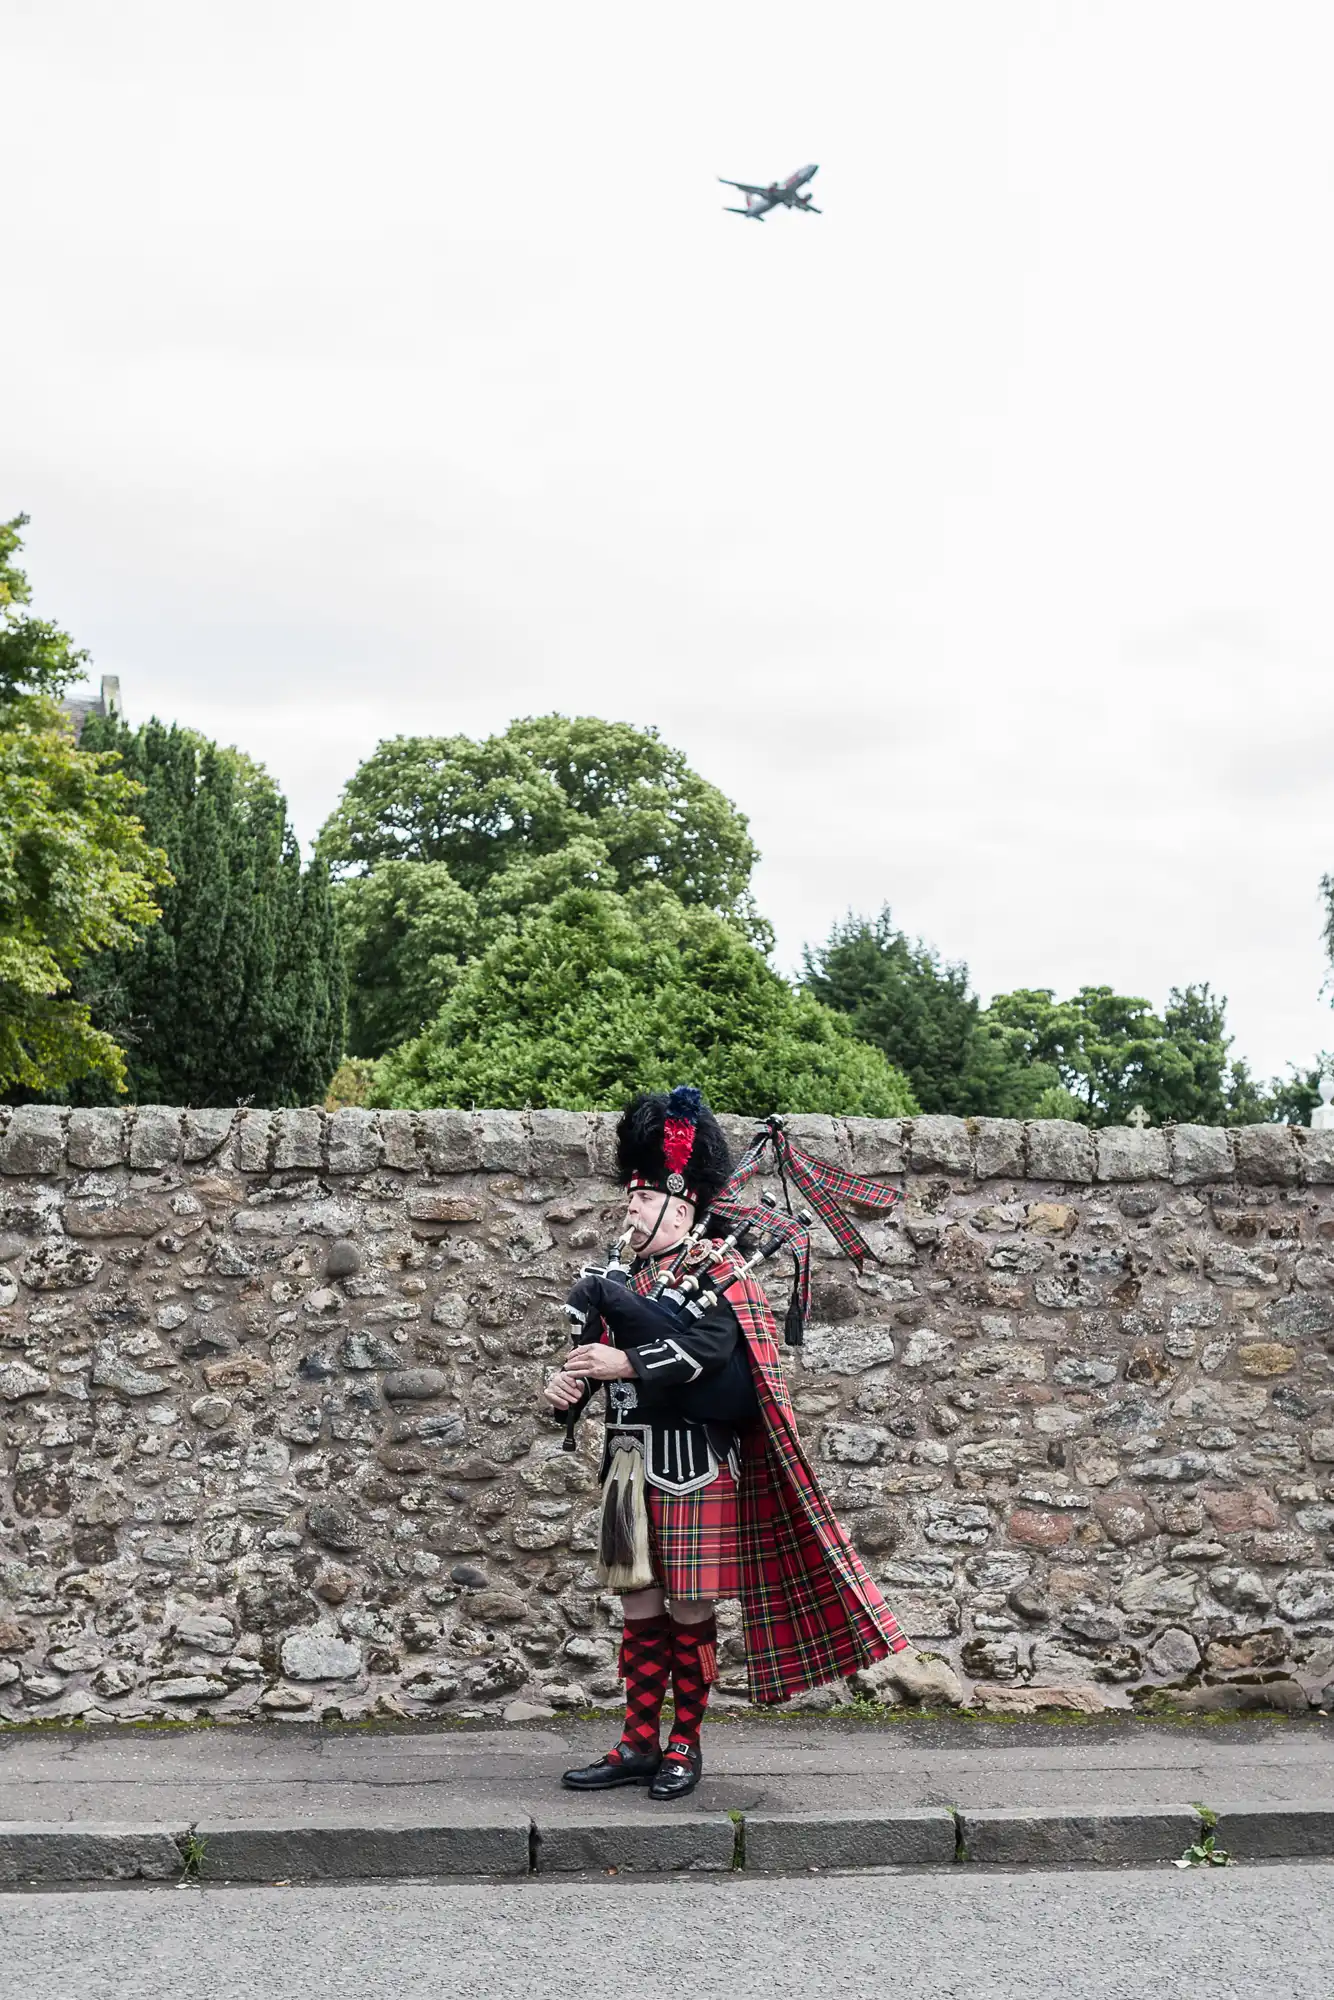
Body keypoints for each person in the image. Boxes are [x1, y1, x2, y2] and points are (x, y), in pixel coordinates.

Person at [542, 1085, 906, 1801]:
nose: (629, 1211)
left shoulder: (718, 1272)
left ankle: (686, 1744)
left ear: (680, 1207)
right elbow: (592, 1355)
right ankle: (638, 1743)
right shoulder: (626, 1277)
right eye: (630, 1202)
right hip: (625, 1466)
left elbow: (708, 1352)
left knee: (688, 1610)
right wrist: (567, 1389)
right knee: (638, 1606)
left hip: (691, 1466)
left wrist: (630, 1360)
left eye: (640, 1203)